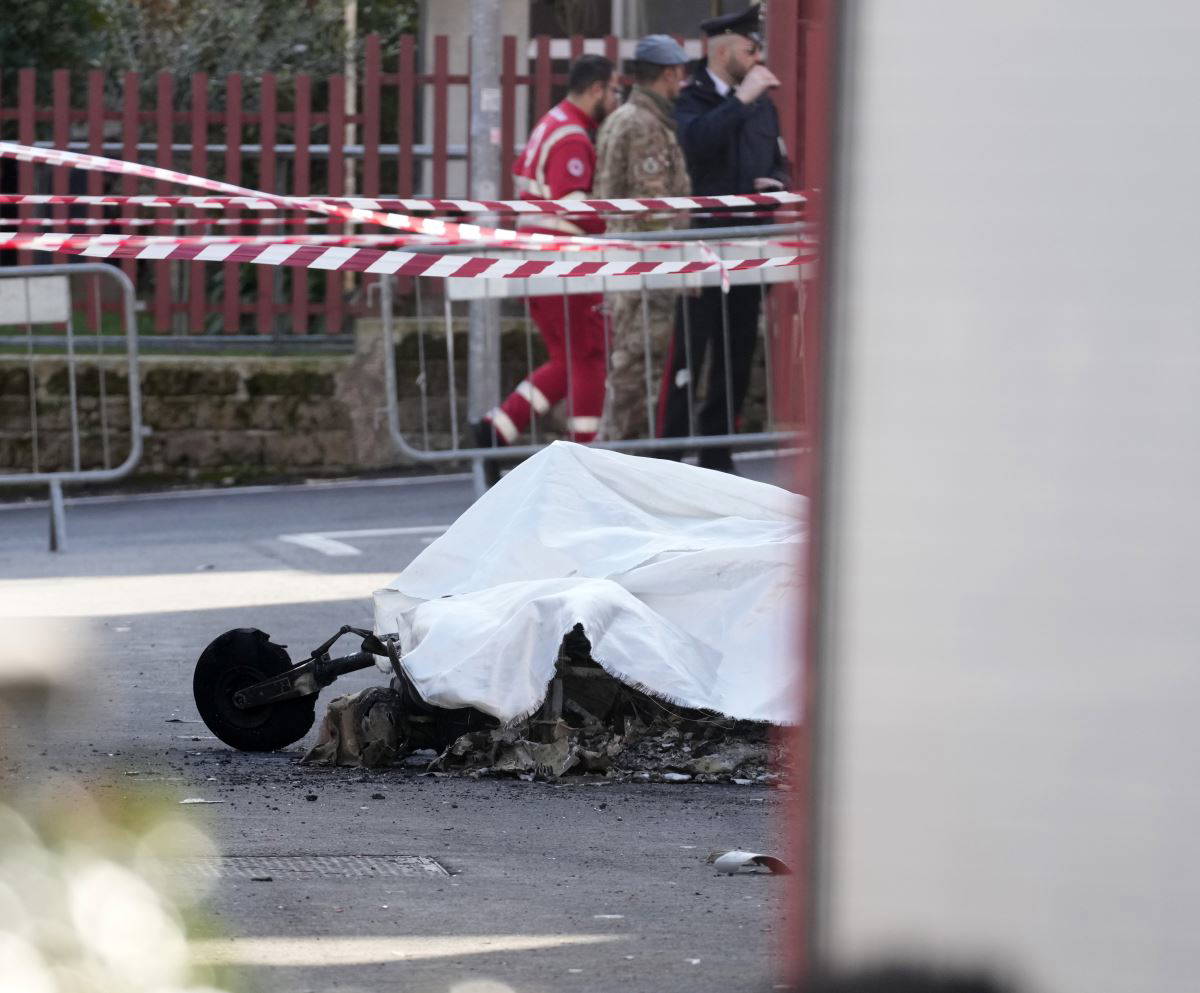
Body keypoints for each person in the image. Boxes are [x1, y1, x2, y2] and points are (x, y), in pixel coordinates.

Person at [657, 3, 790, 473]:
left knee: (736, 356)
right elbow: (696, 146)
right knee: (691, 354)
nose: (758, 60)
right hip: (701, 248)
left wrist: (772, 182)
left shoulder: (761, 105)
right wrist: (740, 101)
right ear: (726, 50)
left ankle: (718, 455)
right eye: (751, 50)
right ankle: (668, 457)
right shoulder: (693, 99)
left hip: (749, 248)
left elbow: (777, 157)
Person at [473, 54, 620, 480]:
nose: (616, 99)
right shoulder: (574, 137)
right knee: (590, 356)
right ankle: (586, 460)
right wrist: (618, 222)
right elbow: (574, 205)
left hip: (542, 264)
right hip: (566, 263)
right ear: (596, 89)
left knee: (566, 360)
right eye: (613, 90)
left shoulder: (553, 123)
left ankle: (497, 431)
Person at [593, 35, 692, 442]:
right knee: (637, 371)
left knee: (631, 367)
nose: (682, 82)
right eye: (680, 74)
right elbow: (653, 208)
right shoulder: (645, 125)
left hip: (630, 263)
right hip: (647, 268)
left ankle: (616, 458)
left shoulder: (625, 117)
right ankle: (618, 462)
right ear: (668, 74)